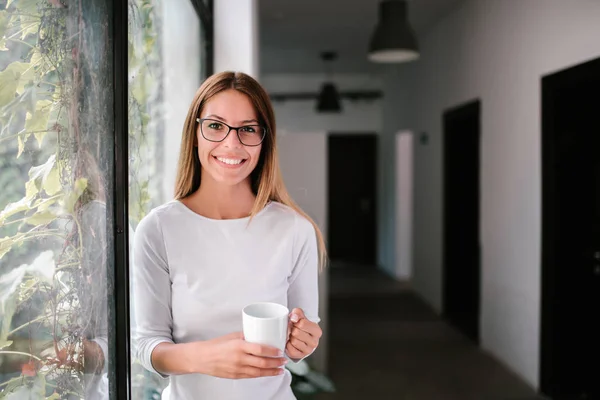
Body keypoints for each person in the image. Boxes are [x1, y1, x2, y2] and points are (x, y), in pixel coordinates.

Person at [132, 71, 326, 400]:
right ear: (194, 133)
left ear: (264, 140)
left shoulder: (295, 229)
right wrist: (205, 358)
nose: (231, 143)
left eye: (248, 129)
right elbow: (146, 345)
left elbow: (299, 345)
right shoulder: (158, 229)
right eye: (216, 126)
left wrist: (303, 342)